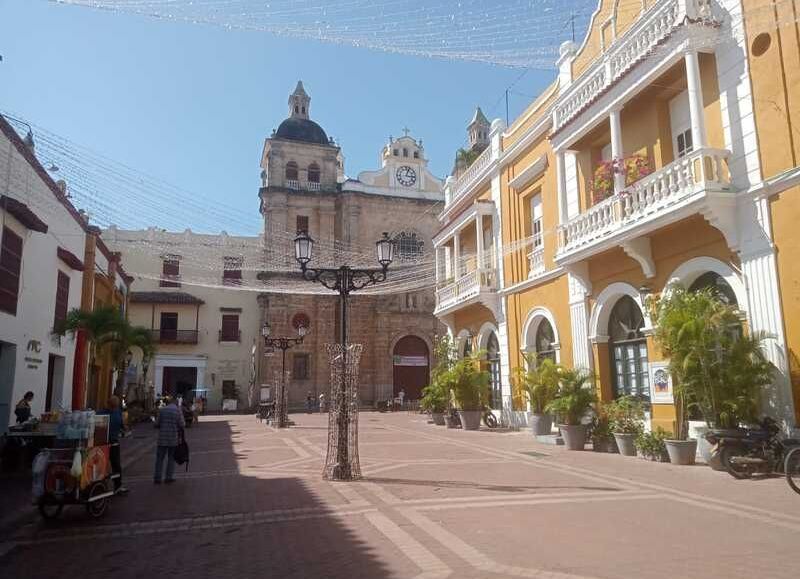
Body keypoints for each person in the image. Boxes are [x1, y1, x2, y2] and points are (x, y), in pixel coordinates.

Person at [153, 396, 185, 484]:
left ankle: (157, 478)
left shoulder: (162, 410)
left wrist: (161, 425)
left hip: (162, 438)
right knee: (171, 458)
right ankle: (168, 477)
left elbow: (156, 424)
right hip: (173, 438)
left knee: (159, 459)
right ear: (175, 402)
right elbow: (182, 424)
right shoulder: (178, 411)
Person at [99, 396, 128, 494]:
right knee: (115, 464)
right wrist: (124, 429)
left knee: (103, 463)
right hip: (112, 442)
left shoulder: (101, 412)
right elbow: (122, 426)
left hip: (102, 442)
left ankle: (106, 484)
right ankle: (117, 485)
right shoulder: (117, 413)